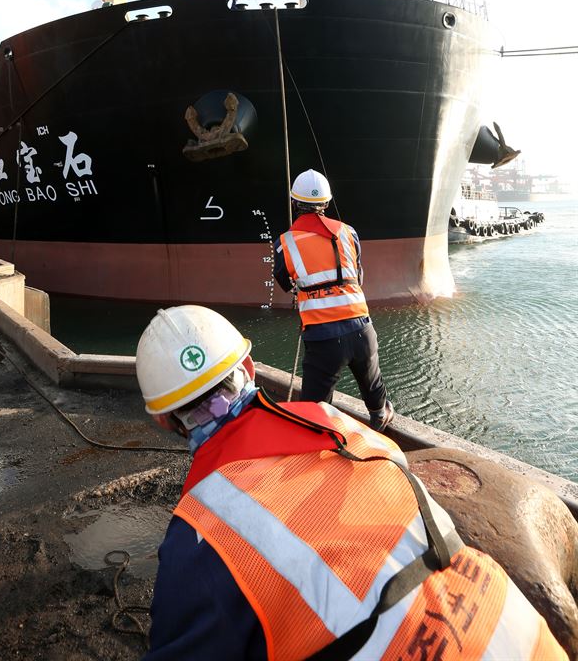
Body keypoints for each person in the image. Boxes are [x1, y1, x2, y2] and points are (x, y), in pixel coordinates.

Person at [135, 305, 567, 661]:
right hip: (528, 639)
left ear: (160, 418)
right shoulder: (340, 424)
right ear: (248, 367)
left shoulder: (200, 532)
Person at [274, 169, 393, 430]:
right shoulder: (349, 233)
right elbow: (358, 273)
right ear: (326, 203)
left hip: (323, 339)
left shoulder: (285, 243)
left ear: (295, 203)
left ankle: (321, 448)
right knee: (372, 385)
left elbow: (285, 282)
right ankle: (379, 417)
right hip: (363, 329)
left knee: (313, 411)